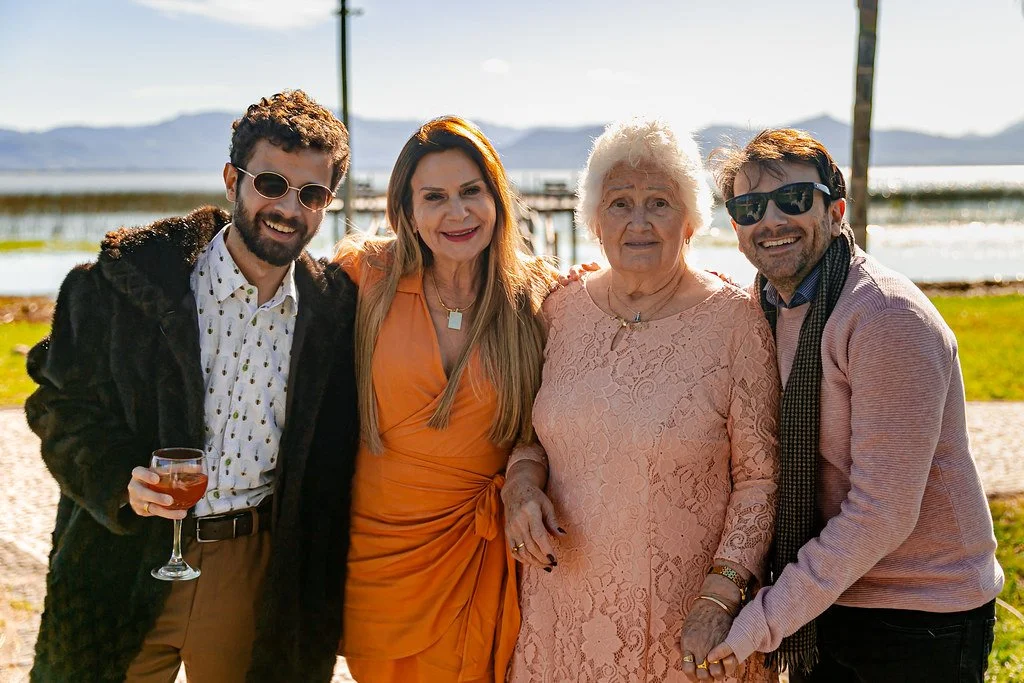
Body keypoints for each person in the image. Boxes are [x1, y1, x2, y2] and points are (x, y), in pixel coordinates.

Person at [24, 90, 359, 683]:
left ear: (327, 205)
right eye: (272, 184)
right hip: (123, 556)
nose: (288, 208)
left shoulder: (333, 312)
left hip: (252, 568)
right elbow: (58, 405)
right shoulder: (124, 283)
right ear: (233, 178)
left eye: (311, 194)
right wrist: (115, 482)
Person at [698, 128, 1005, 683]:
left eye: (793, 200)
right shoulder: (762, 307)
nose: (770, 220)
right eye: (748, 207)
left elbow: (881, 512)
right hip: (831, 598)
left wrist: (762, 619)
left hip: (918, 612)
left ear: (836, 209)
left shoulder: (885, 318)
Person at [502, 118, 781, 682]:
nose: (639, 221)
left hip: (684, 625)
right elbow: (532, 441)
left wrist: (721, 597)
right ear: (595, 221)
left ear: (691, 221)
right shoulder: (559, 310)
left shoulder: (736, 323)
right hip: (561, 616)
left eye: (659, 202)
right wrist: (521, 487)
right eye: (620, 202)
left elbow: (760, 479)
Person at [334, 115, 555, 682]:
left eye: (471, 192)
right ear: (406, 210)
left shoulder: (539, 298)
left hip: (481, 549)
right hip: (376, 553)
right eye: (434, 197)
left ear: (497, 199)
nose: (457, 214)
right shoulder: (365, 278)